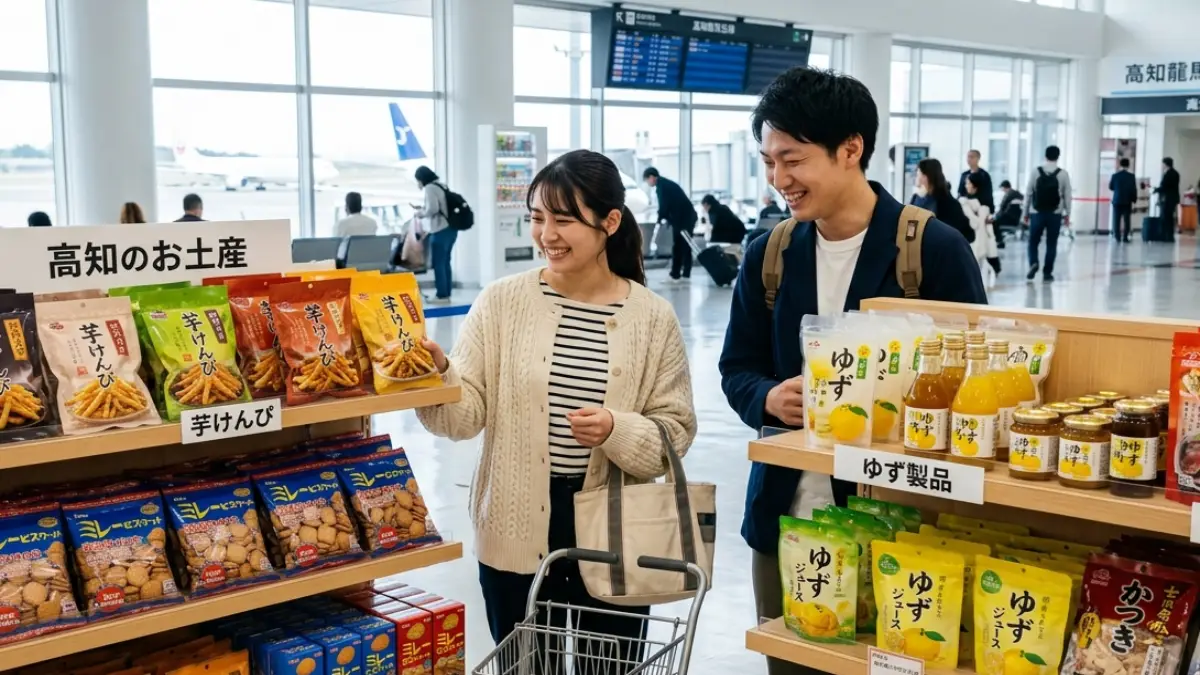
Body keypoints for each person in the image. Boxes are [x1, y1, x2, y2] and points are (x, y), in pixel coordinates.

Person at [718, 67, 987, 675]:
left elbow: (974, 385)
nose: (778, 179)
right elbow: (737, 365)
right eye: (768, 161)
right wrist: (766, 398)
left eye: (793, 159)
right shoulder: (772, 254)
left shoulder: (932, 251)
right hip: (789, 519)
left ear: (850, 150)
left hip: (899, 527)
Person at [415, 149, 696, 668]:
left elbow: (674, 432)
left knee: (608, 666)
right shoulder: (502, 303)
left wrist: (617, 429)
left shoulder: (652, 318)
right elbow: (466, 415)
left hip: (615, 532)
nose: (547, 235)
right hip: (515, 523)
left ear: (610, 222)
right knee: (525, 665)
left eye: (564, 220)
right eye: (537, 218)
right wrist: (439, 378)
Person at [1022, 145, 1072, 282]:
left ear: (1045, 156)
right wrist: (1068, 214)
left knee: (1033, 241)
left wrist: (1025, 214)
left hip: (1036, 212)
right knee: (1051, 243)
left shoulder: (1035, 172)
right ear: (1058, 156)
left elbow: (1028, 193)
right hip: (1055, 214)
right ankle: (1047, 272)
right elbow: (1067, 196)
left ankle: (1034, 262)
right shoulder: (1063, 174)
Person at [643, 167, 698, 282]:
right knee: (684, 245)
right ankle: (684, 274)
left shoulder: (662, 187)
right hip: (685, 217)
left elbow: (664, 206)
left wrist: (659, 218)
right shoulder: (665, 184)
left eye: (647, 180)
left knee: (679, 246)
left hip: (683, 219)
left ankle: (675, 274)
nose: (648, 183)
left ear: (652, 177)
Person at [413, 166, 455, 304]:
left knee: (438, 263)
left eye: (418, 180)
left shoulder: (430, 188)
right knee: (445, 262)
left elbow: (433, 209)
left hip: (440, 230)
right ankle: (447, 292)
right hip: (451, 229)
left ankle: (441, 295)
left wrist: (421, 213)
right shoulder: (441, 185)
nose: (418, 184)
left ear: (421, 179)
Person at [910, 158, 974, 243]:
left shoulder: (948, 203)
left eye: (918, 173)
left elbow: (967, 234)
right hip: (918, 250)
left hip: (939, 250)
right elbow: (910, 225)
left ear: (926, 177)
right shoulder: (916, 198)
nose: (916, 177)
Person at [960, 176, 1000, 277]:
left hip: (976, 235)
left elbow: (976, 222)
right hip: (975, 234)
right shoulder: (966, 201)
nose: (966, 186)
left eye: (968, 183)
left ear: (975, 186)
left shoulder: (966, 202)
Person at [1109, 158, 1137, 243]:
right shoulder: (1131, 176)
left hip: (1117, 200)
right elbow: (1133, 189)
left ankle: (1117, 236)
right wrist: (1134, 199)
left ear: (1120, 165)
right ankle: (1125, 237)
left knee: (1116, 219)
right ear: (1128, 165)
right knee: (1127, 220)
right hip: (1127, 201)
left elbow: (1111, 187)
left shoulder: (1115, 175)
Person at [1155, 157, 1181, 233]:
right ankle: (1169, 234)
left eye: (1162, 164)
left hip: (1167, 199)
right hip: (1173, 198)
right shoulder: (1176, 173)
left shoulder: (1168, 174)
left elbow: (1164, 186)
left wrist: (1156, 190)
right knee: (1170, 216)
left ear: (1166, 164)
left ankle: (1165, 234)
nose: (1162, 166)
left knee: (1165, 216)